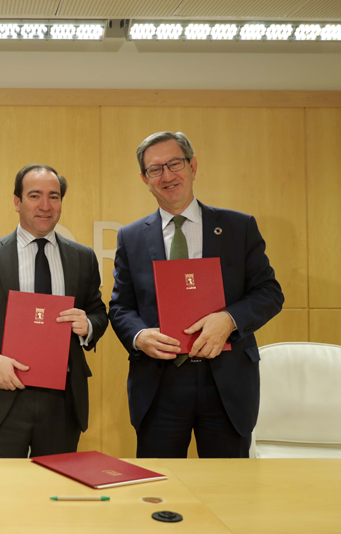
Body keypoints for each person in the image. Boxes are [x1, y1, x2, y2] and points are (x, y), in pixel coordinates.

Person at [109, 131, 284, 458]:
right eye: (155, 169)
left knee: (227, 491)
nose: (167, 176)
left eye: (174, 164)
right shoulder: (131, 237)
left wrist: (229, 320)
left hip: (227, 382)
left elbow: (269, 293)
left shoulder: (238, 227)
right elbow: (120, 306)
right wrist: (140, 335)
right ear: (145, 179)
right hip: (159, 384)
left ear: (192, 166)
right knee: (160, 492)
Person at [0, 164, 108, 458]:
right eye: (35, 195)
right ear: (17, 201)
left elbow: (99, 312)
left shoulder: (82, 257)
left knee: (54, 496)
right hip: (2, 394)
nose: (45, 206)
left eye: (54, 196)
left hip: (62, 401)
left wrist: (88, 324)